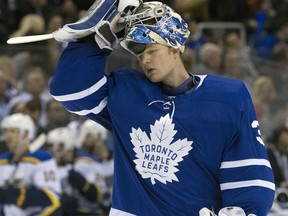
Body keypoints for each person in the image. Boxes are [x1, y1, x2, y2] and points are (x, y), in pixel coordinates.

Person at [49, 1, 275, 215]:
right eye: (139, 54)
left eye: (151, 51)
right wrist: (97, 39)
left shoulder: (228, 97)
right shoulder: (127, 92)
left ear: (175, 48)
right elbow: (69, 90)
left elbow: (250, 174)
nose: (144, 60)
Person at [0, 113, 61, 215]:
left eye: (13, 131)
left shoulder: (42, 159)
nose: (8, 135)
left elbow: (52, 197)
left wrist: (18, 195)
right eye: (6, 131)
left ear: (25, 134)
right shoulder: (2, 160)